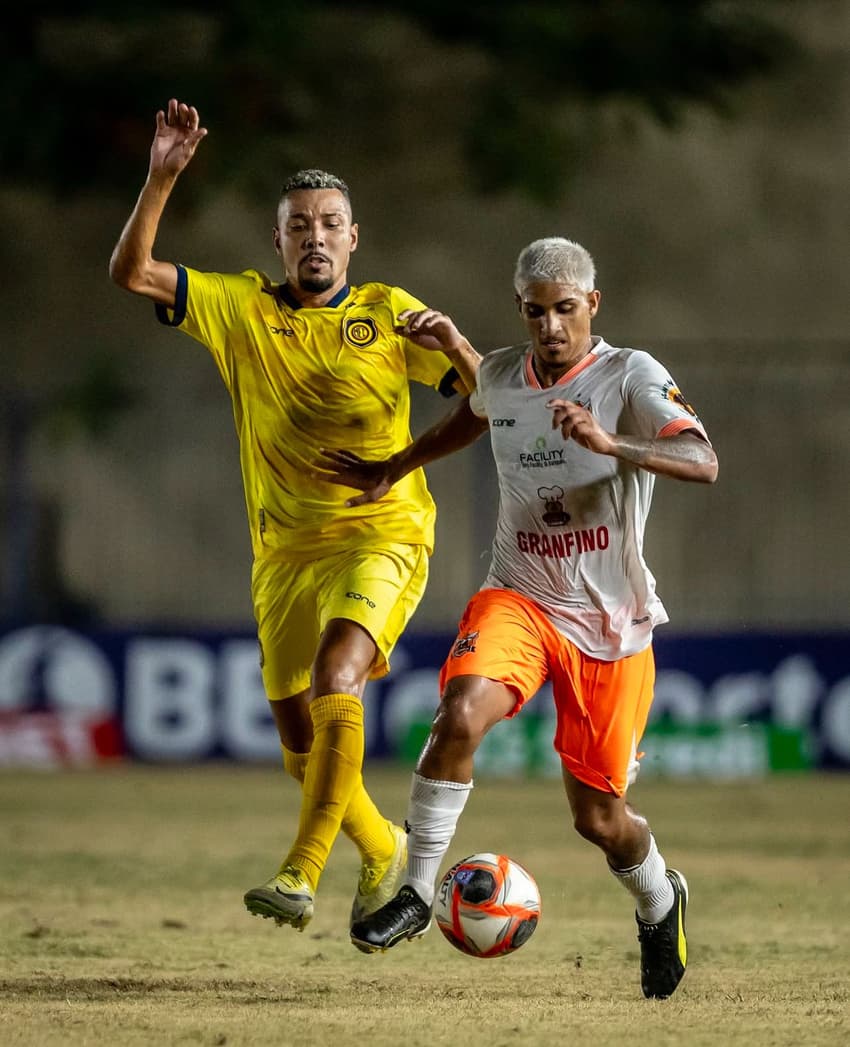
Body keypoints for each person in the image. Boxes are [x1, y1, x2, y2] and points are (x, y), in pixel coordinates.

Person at [108, 98, 480, 933]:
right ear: (277, 241)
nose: (316, 235)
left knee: (337, 679)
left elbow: (491, 403)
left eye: (331, 223)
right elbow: (133, 272)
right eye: (300, 224)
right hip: (283, 552)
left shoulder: (387, 311)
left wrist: (455, 347)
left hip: (382, 533)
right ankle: (382, 846)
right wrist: (160, 179)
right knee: (296, 742)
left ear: (356, 238)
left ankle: (301, 872)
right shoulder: (240, 308)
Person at [323, 237, 718, 999]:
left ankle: (660, 899)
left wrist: (614, 443)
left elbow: (703, 459)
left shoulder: (631, 374)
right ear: (521, 310)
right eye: (536, 311)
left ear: (591, 304)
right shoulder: (502, 372)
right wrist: (391, 467)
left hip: (609, 624)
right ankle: (417, 888)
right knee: (460, 711)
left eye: (565, 309)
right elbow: (478, 414)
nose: (550, 325)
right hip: (521, 596)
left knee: (602, 820)